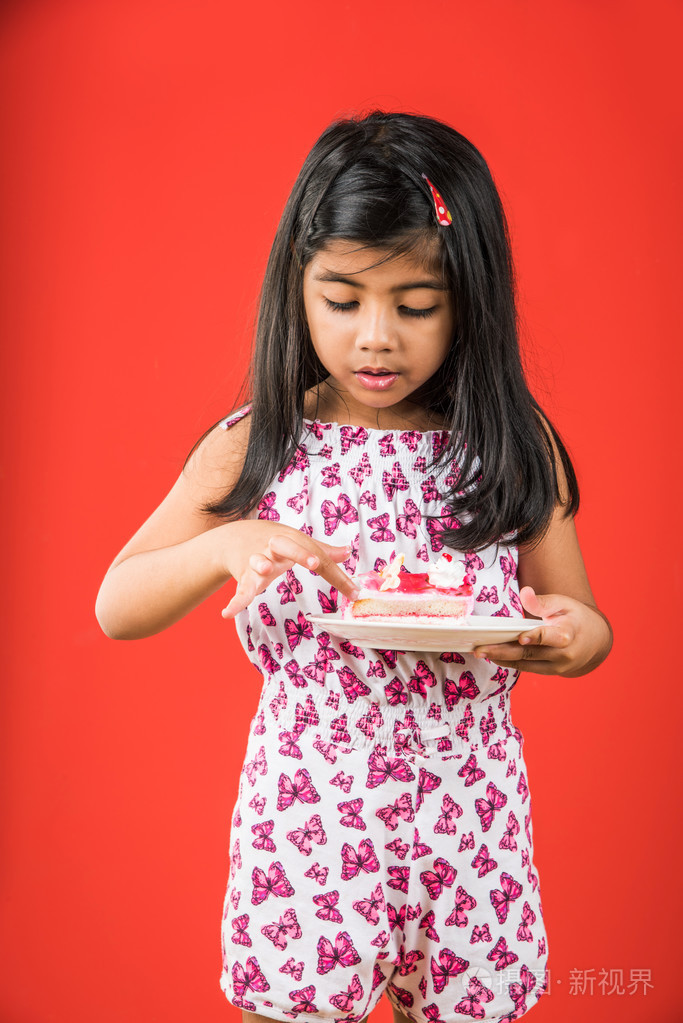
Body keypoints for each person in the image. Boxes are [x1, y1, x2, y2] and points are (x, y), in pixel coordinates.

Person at [96, 111, 612, 1023]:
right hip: (311, 814)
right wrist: (222, 545)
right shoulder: (258, 442)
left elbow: (583, 618)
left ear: (470, 298)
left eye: (415, 306)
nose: (376, 337)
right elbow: (116, 604)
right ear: (297, 288)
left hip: (471, 814)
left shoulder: (510, 445)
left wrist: (572, 639)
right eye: (342, 300)